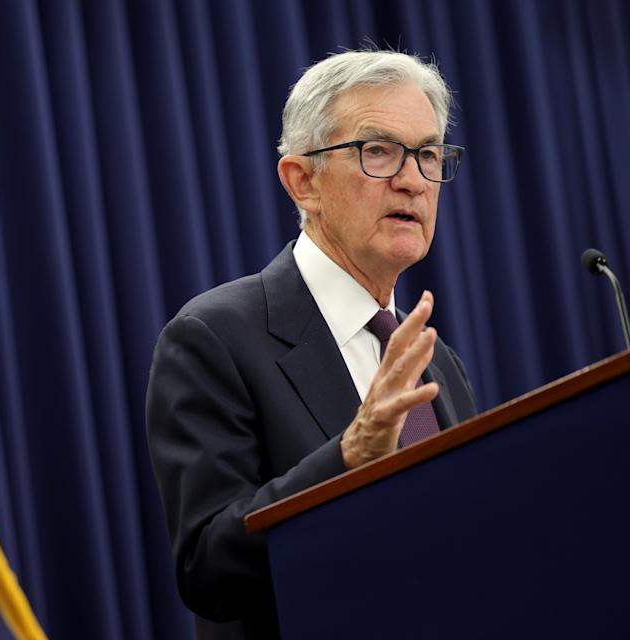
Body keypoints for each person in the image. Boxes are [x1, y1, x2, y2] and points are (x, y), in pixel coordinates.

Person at [145, 50, 478, 639]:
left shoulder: (440, 365)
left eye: (427, 154)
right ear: (304, 182)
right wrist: (348, 457)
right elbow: (208, 570)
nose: (412, 179)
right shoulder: (213, 338)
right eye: (378, 151)